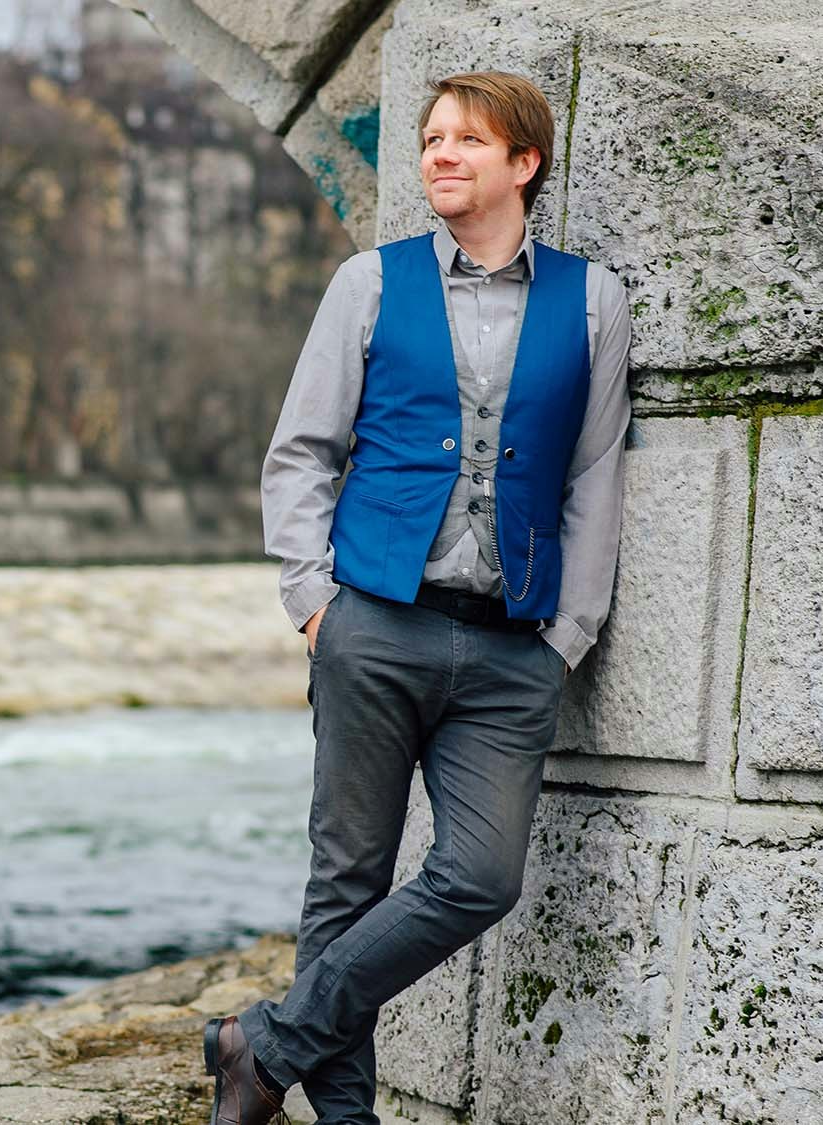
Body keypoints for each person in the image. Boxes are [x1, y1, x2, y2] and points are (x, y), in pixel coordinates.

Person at [202, 70, 633, 1125]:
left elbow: (593, 478)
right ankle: (341, 1117)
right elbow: (299, 452)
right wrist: (313, 602)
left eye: (464, 142)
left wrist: (565, 637)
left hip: (510, 648)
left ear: (521, 164)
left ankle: (260, 1046)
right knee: (344, 884)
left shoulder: (590, 300)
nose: (438, 155)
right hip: (372, 624)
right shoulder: (368, 284)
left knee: (479, 878)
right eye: (431, 139)